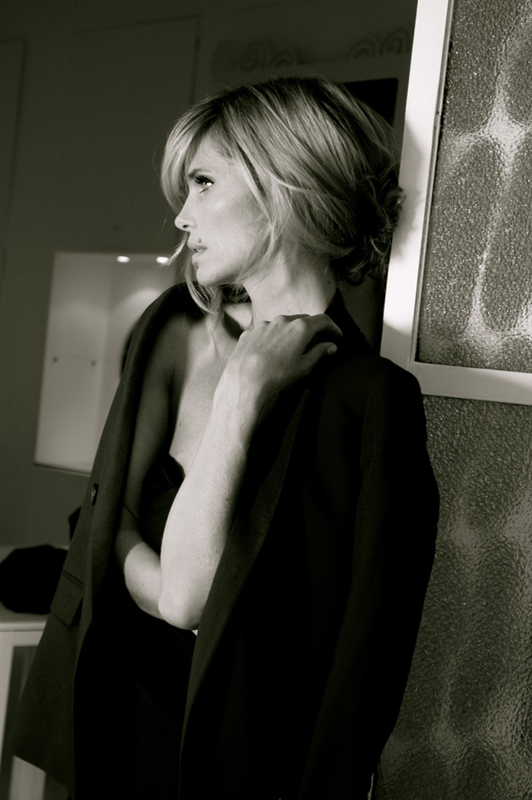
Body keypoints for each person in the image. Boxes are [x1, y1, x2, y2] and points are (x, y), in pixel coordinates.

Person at [13, 76, 439, 799]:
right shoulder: (173, 330)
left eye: (203, 183)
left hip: (242, 769)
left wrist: (241, 397)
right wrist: (164, 587)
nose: (181, 216)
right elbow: (104, 524)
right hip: (113, 727)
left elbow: (363, 669)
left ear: (286, 188)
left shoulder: (371, 403)